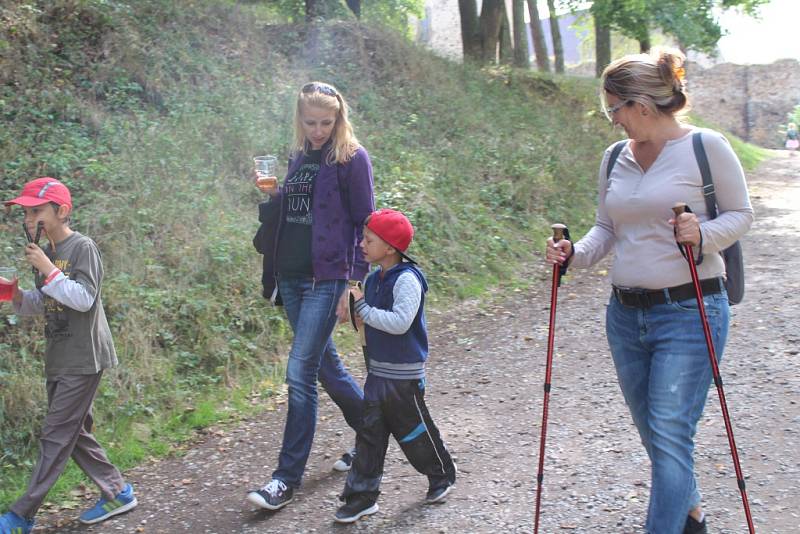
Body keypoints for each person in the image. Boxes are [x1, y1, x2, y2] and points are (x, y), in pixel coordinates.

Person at [545, 48, 753, 534]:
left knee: (670, 432)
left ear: (640, 104)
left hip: (690, 309)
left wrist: (702, 234)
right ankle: (692, 515)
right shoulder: (614, 157)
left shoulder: (706, 146)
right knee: (656, 435)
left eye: (612, 108)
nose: (611, 120)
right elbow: (606, 228)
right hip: (624, 316)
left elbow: (741, 215)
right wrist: (573, 255)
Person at [246, 81, 375, 511]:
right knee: (325, 367)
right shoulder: (299, 157)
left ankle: (285, 479)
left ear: (339, 118)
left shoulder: (352, 159)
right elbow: (295, 213)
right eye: (310, 122)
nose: (319, 130)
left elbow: (365, 223)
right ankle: (372, 435)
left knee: (300, 373)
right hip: (292, 276)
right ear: (299, 119)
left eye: (327, 121)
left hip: (327, 278)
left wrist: (355, 283)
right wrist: (272, 195)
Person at [0, 178, 137, 534]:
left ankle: (21, 515)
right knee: (73, 434)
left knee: (56, 434)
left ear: (61, 211)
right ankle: (118, 491)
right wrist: (13, 296)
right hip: (59, 355)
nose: (30, 219)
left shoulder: (81, 247)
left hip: (84, 356)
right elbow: (45, 303)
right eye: (26, 213)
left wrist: (47, 267)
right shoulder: (43, 253)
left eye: (37, 211)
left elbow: (84, 298)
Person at [333, 208, 456, 524]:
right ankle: (361, 497)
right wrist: (357, 313)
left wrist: (363, 307)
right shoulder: (373, 279)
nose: (362, 244)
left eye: (369, 239)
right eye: (363, 237)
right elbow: (369, 323)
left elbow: (401, 322)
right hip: (377, 374)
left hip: (403, 377)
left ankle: (441, 474)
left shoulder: (408, 280)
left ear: (389, 247)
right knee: (369, 436)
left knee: (413, 433)